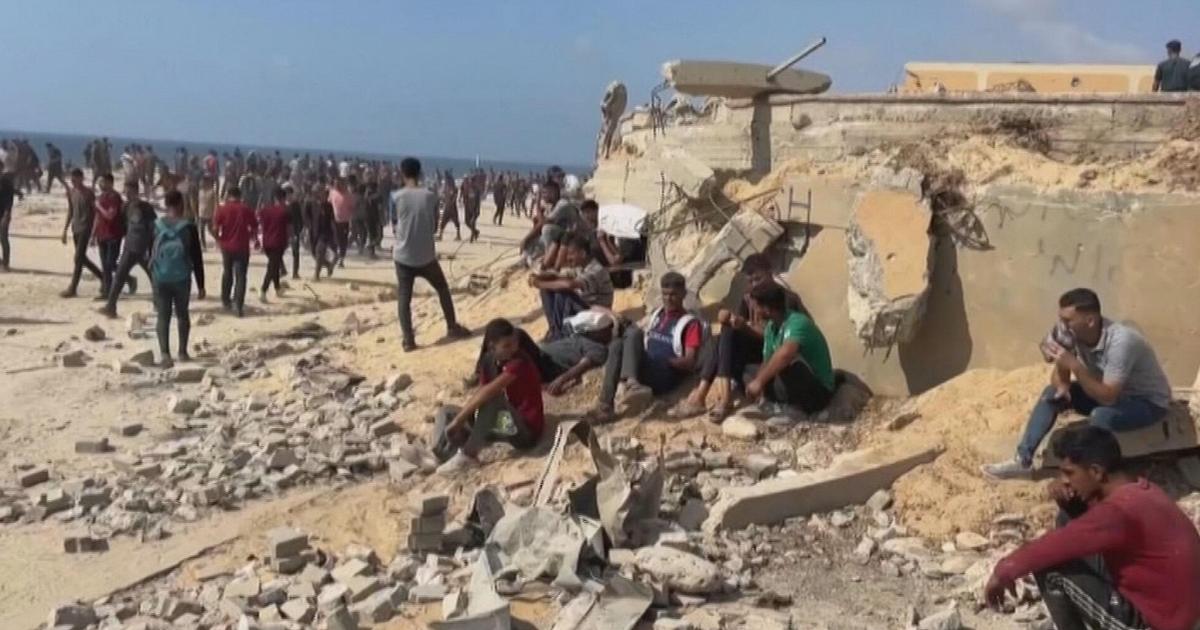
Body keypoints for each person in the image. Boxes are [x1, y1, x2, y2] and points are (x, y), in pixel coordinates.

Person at [984, 425, 1200, 630]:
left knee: (1049, 568)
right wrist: (1070, 506)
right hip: (1178, 615)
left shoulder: (1119, 511)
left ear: (1096, 472)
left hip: (1158, 624)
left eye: (1069, 473)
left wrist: (1003, 571)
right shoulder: (1141, 491)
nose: (1064, 481)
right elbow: (1088, 531)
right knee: (1066, 522)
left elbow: (1055, 546)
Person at [983, 288, 1172, 479]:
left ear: (1090, 321)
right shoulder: (1071, 333)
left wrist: (1074, 365)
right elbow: (1058, 380)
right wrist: (1063, 376)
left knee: (1101, 415)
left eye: (1068, 321)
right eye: (1061, 319)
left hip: (1146, 402)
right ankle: (1022, 460)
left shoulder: (1122, 343)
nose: (1062, 326)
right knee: (1051, 394)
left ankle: (1085, 473)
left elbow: (1108, 397)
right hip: (1108, 392)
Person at [673, 254, 809, 421]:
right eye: (750, 281)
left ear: (770, 272)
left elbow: (779, 338)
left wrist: (745, 326)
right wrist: (734, 321)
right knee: (724, 333)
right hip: (755, 349)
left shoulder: (785, 299)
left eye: (758, 279)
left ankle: (718, 399)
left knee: (726, 336)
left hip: (776, 355)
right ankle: (712, 395)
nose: (754, 285)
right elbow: (742, 325)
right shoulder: (749, 297)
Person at [588, 272, 706, 423]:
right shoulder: (658, 315)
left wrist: (666, 361)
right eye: (665, 294)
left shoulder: (690, 323)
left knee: (634, 333)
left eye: (673, 295)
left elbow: (690, 362)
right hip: (647, 366)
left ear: (683, 294)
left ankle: (632, 383)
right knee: (617, 344)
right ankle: (606, 406)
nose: (668, 299)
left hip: (664, 374)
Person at [433, 318, 545, 473]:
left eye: (515, 342)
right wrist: (464, 418)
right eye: (507, 345)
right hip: (501, 423)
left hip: (524, 431)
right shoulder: (488, 361)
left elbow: (489, 391)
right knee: (446, 411)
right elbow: (481, 391)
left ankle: (469, 456)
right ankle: (440, 453)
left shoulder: (520, 362)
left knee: (493, 399)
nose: (513, 348)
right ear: (492, 347)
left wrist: (460, 420)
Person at [390, 157, 471, 352]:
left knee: (404, 297)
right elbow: (435, 225)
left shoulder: (395, 197)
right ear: (419, 173)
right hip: (426, 256)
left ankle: (408, 340)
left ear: (402, 173)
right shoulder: (430, 196)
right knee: (442, 289)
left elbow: (393, 224)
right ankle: (452, 326)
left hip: (403, 256)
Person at [741, 282, 835, 421]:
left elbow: (786, 353)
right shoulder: (771, 327)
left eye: (756, 307)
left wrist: (759, 382)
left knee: (788, 366)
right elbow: (767, 361)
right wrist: (758, 383)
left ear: (766, 309)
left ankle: (796, 411)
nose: (754, 311)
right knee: (750, 370)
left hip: (817, 391)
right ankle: (771, 403)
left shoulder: (797, 322)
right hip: (793, 386)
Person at [150, 191, 205, 366]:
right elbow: (197, 258)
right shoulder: (189, 227)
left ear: (166, 204)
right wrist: (201, 285)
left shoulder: (156, 225)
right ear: (181, 204)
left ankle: (165, 353)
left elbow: (149, 254)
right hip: (182, 277)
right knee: (182, 314)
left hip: (160, 277)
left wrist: (153, 277)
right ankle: (182, 352)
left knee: (163, 315)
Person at [529, 233, 614, 340]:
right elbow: (558, 276)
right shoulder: (581, 266)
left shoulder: (596, 270)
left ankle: (558, 334)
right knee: (547, 290)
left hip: (598, 312)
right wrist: (539, 277)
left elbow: (570, 284)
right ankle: (554, 329)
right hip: (586, 305)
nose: (567, 258)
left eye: (571, 254)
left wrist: (539, 283)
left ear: (582, 253)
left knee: (563, 292)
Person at [99, 180, 155, 318]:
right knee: (120, 275)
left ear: (136, 191)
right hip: (130, 246)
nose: (127, 194)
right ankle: (111, 307)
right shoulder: (125, 207)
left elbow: (153, 228)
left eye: (129, 192)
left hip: (141, 247)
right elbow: (123, 226)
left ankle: (160, 303)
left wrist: (151, 249)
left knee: (153, 276)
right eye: (126, 192)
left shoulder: (146, 207)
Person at [212, 186, 258, 317]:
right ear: (240, 196)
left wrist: (218, 239)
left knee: (227, 272)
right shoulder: (246, 209)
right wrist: (253, 238)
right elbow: (254, 227)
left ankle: (225, 300)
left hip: (226, 246)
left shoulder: (222, 209)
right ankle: (238, 305)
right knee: (241, 276)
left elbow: (214, 228)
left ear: (228, 195)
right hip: (242, 246)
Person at [60, 169, 104, 298]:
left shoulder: (89, 193)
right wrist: (65, 230)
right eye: (72, 180)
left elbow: (96, 212)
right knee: (82, 259)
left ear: (81, 178)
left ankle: (73, 288)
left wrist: (94, 232)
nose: (73, 182)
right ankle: (104, 278)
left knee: (78, 258)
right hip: (76, 228)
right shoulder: (71, 193)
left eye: (75, 179)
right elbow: (70, 211)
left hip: (86, 228)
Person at [93, 173, 126, 299]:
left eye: (102, 182)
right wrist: (93, 234)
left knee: (110, 263)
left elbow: (110, 215)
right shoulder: (101, 197)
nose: (100, 184)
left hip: (113, 235)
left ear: (109, 183)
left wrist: (99, 206)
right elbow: (97, 217)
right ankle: (107, 291)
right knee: (105, 266)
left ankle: (123, 280)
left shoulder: (114, 197)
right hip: (102, 235)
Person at [257, 187, 291, 302]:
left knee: (274, 265)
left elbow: (259, 219)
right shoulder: (285, 211)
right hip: (279, 242)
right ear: (284, 198)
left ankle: (277, 288)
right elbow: (289, 228)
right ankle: (263, 290)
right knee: (272, 267)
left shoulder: (265, 210)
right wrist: (289, 240)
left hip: (266, 242)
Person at [308, 182, 337, 280]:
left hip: (325, 233)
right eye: (317, 192)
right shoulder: (310, 204)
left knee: (319, 252)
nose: (320, 194)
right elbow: (306, 217)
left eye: (322, 192)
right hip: (313, 232)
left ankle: (316, 275)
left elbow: (333, 220)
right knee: (314, 254)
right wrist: (307, 228)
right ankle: (328, 265)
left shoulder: (329, 206)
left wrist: (334, 234)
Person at [0, 163, 22, 271]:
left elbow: (10, 198)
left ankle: (5, 264)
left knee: (3, 238)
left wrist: (7, 215)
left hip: (4, 213)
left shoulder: (6, 182)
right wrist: (20, 193)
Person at [328, 177, 354, 267]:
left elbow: (352, 209)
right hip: (334, 221)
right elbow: (329, 205)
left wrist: (351, 221)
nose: (337, 185)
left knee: (343, 241)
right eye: (335, 184)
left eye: (338, 184)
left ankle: (341, 259)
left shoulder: (348, 195)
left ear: (343, 184)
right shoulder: (332, 193)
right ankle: (336, 255)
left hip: (345, 221)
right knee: (335, 240)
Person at [285, 185, 304, 278]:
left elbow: (300, 219)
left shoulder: (295, 205)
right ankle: (282, 269)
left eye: (289, 194)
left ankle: (295, 272)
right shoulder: (283, 205)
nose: (288, 196)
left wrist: (298, 232)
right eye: (286, 194)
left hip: (294, 231)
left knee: (295, 253)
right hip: (284, 232)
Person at [197, 174, 217, 249]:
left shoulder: (212, 192)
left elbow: (216, 204)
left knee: (210, 230)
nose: (201, 183)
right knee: (201, 230)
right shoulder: (200, 191)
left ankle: (218, 240)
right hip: (201, 214)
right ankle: (203, 245)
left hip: (210, 214)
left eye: (203, 182)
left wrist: (215, 214)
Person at [438, 173, 461, 241]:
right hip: (448, 207)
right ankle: (440, 235)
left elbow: (454, 197)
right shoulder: (447, 187)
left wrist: (449, 203)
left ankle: (458, 235)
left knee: (455, 222)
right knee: (444, 222)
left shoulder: (452, 188)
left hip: (451, 208)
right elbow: (443, 197)